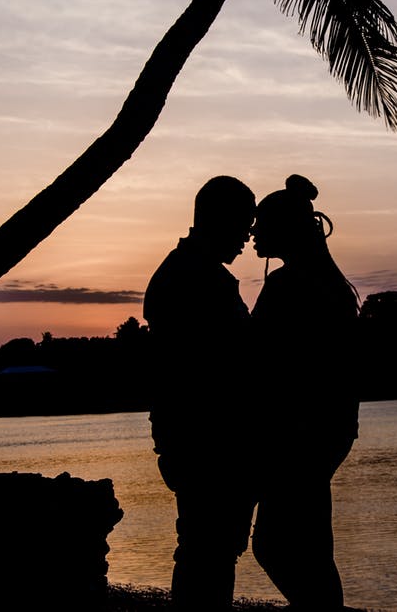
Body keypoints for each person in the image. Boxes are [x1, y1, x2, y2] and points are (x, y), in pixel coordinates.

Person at [142, 175, 258, 611]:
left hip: (191, 440)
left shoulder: (184, 272)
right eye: (243, 226)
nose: (247, 239)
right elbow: (218, 367)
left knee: (206, 548)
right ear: (219, 221)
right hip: (207, 442)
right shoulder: (198, 279)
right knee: (207, 550)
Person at [249, 174, 361, 611]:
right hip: (327, 428)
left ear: (284, 229)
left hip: (300, 432)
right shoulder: (325, 282)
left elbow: (264, 359)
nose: (254, 232)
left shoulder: (289, 284)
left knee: (275, 546)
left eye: (262, 223)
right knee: (310, 543)